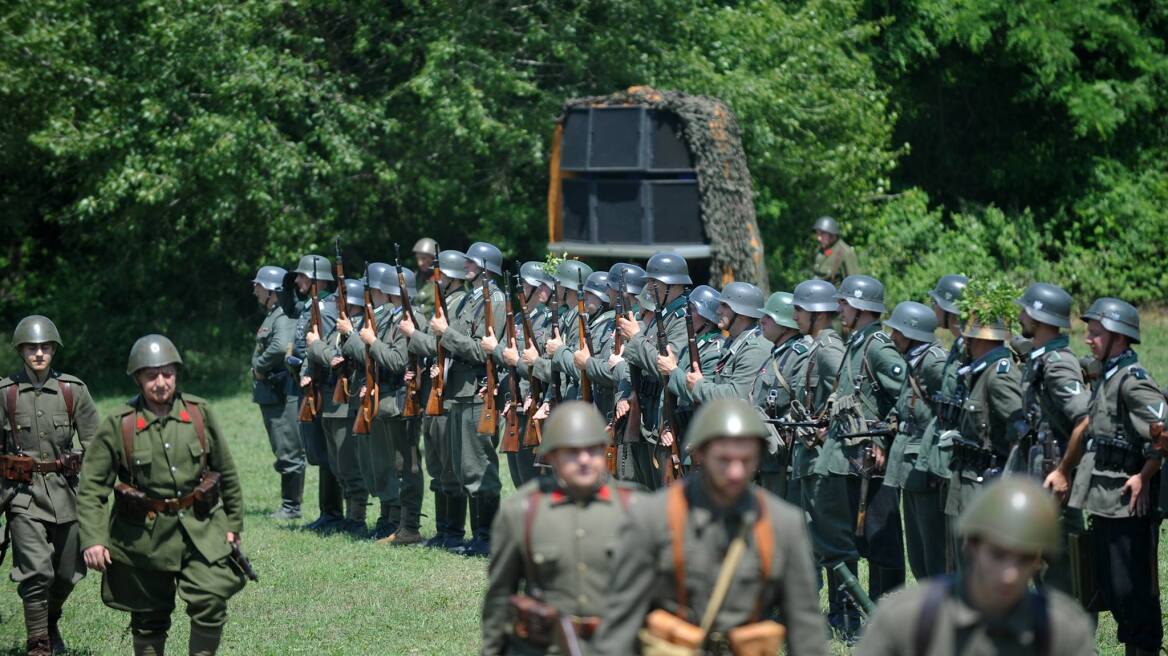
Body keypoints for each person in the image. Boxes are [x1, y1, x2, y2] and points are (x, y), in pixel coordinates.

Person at [591, 398, 828, 656]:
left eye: (746, 459)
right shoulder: (653, 518)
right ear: (701, 454)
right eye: (724, 459)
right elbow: (620, 624)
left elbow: (806, 633)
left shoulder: (782, 524)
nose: (735, 472)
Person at [77, 335, 246, 656]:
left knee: (211, 600)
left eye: (167, 373)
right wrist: (93, 540)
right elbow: (92, 488)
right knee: (148, 617)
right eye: (151, 375)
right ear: (138, 379)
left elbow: (225, 471)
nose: (161, 382)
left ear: (176, 373)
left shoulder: (199, 413)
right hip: (143, 535)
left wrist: (233, 524)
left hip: (200, 528)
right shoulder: (120, 424)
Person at [856, 476, 1096, 656]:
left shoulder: (1062, 630)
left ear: (1039, 561)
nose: (1009, 574)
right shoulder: (906, 621)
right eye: (998, 554)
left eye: (1024, 559)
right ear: (971, 545)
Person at [481, 402, 636, 655]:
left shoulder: (635, 508)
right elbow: (500, 596)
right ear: (552, 456)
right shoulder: (523, 511)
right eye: (572, 452)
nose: (584, 460)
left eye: (593, 450)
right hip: (546, 646)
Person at [1067, 298, 1163, 654]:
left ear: (1118, 337)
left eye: (1095, 333)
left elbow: (1163, 433)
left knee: (1133, 597)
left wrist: (1144, 475)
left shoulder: (1132, 381)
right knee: (1113, 592)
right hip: (1105, 501)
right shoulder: (1108, 375)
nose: (1088, 339)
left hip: (1128, 507)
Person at [0, 315, 99, 656]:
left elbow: (97, 446)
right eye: (32, 348)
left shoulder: (73, 390)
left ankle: (50, 619)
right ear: (21, 351)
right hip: (22, 496)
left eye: (45, 347)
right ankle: (38, 643)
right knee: (36, 572)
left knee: (68, 573)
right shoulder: (6, 394)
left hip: (67, 493)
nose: (39, 353)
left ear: (54, 350)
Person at [816, 275, 906, 632]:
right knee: (854, 541)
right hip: (852, 459)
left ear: (862, 307)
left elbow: (908, 395)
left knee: (883, 545)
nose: (839, 308)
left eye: (845, 303)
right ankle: (861, 618)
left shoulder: (879, 347)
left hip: (874, 461)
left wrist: (883, 438)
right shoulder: (856, 343)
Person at [1013, 282, 1091, 598]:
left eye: (1024, 311)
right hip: (1039, 480)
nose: (1020, 316)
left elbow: (1085, 420)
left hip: (1055, 488)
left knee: (1061, 581)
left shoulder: (1057, 363)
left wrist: (1063, 471)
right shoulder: (1041, 357)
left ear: (1038, 317)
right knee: (1044, 577)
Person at [433, 241, 506, 557]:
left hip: (478, 392)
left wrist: (446, 333)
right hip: (460, 391)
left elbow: (483, 350)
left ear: (486, 268)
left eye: (473, 263)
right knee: (463, 467)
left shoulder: (496, 301)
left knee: (480, 467)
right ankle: (476, 535)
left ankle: (487, 537)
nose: (467, 266)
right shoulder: (470, 299)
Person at [787, 279, 848, 634]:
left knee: (832, 541)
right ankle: (833, 613)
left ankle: (847, 616)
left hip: (824, 458)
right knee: (817, 540)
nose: (794, 315)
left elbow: (849, 393)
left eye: (799, 309)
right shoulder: (815, 347)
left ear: (817, 315)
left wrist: (828, 425)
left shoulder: (828, 349)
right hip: (809, 457)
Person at [402, 249, 471, 549]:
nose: (435, 279)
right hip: (436, 389)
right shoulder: (446, 303)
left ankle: (452, 533)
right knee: (436, 465)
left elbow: (441, 344)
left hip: (449, 393)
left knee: (448, 467)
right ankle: (442, 531)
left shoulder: (459, 304)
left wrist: (412, 335)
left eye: (440, 275)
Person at [361, 263, 429, 545]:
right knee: (397, 466)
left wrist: (372, 342)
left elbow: (397, 361)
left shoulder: (407, 319)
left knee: (408, 467)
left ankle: (409, 527)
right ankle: (399, 524)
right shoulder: (397, 317)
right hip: (393, 402)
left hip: (404, 403)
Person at [882, 301, 947, 579]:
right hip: (910, 464)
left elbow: (952, 411)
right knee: (918, 556)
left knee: (934, 553)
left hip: (927, 465)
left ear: (912, 333)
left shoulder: (934, 362)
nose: (892, 337)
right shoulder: (915, 360)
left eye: (897, 331)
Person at [614, 252, 691, 491]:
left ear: (671, 285)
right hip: (644, 416)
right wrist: (624, 395)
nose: (648, 287)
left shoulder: (682, 320)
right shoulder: (662, 315)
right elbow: (633, 365)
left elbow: (666, 367)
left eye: (654, 282)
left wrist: (636, 337)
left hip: (663, 419)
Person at [307, 277, 370, 536]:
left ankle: (357, 518)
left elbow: (338, 357)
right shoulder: (339, 328)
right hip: (331, 403)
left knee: (349, 465)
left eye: (340, 300)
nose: (335, 303)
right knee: (336, 465)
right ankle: (346, 516)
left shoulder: (358, 328)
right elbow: (325, 354)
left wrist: (316, 345)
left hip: (345, 404)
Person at [289, 253, 343, 532]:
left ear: (317, 280)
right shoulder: (312, 305)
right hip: (310, 384)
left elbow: (329, 346)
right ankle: (327, 511)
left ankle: (333, 513)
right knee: (320, 451)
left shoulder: (326, 307)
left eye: (303, 275)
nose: (298, 280)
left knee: (328, 452)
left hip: (322, 386)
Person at [250, 265, 306, 521]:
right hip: (274, 392)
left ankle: (291, 507)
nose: (255, 290)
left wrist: (259, 366)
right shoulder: (274, 314)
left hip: (280, 391)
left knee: (287, 447)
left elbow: (281, 346)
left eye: (259, 286)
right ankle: (290, 505)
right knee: (283, 446)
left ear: (272, 291)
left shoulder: (281, 315)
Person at [493, 261, 555, 487]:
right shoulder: (518, 319)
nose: (521, 288)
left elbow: (544, 369)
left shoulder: (547, 322)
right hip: (514, 406)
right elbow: (503, 354)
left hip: (533, 408)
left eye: (526, 285)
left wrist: (513, 359)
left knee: (534, 482)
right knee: (519, 479)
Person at [752, 291, 811, 500]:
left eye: (769, 317)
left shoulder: (798, 356)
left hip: (784, 459)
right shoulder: (777, 354)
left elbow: (803, 406)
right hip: (767, 456)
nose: (762, 320)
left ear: (785, 325)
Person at [811, 216, 859, 285]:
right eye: (818, 234)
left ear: (832, 235)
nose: (819, 238)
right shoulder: (821, 249)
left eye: (822, 234)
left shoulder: (845, 252)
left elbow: (853, 284)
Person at [413, 237, 439, 317]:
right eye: (417, 258)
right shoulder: (415, 277)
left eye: (423, 258)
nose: (420, 263)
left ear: (433, 258)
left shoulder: (444, 280)